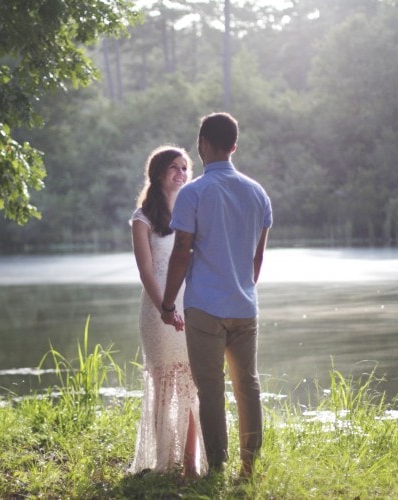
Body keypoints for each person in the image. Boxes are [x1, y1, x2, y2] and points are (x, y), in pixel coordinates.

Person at [160, 112, 272, 479]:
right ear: (234, 146)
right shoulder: (258, 193)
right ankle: (248, 468)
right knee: (248, 387)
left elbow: (182, 253)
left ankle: (218, 467)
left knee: (211, 391)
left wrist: (167, 302)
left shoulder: (193, 193)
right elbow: (257, 256)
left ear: (203, 144)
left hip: (205, 308)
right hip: (244, 306)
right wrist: (242, 286)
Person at [128, 145, 208, 478]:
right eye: (174, 167)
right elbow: (146, 271)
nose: (181, 173)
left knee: (191, 384)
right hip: (158, 309)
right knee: (163, 383)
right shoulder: (142, 218)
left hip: (191, 305)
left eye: (185, 167)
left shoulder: (192, 210)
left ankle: (190, 462)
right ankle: (164, 460)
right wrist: (165, 307)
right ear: (159, 173)